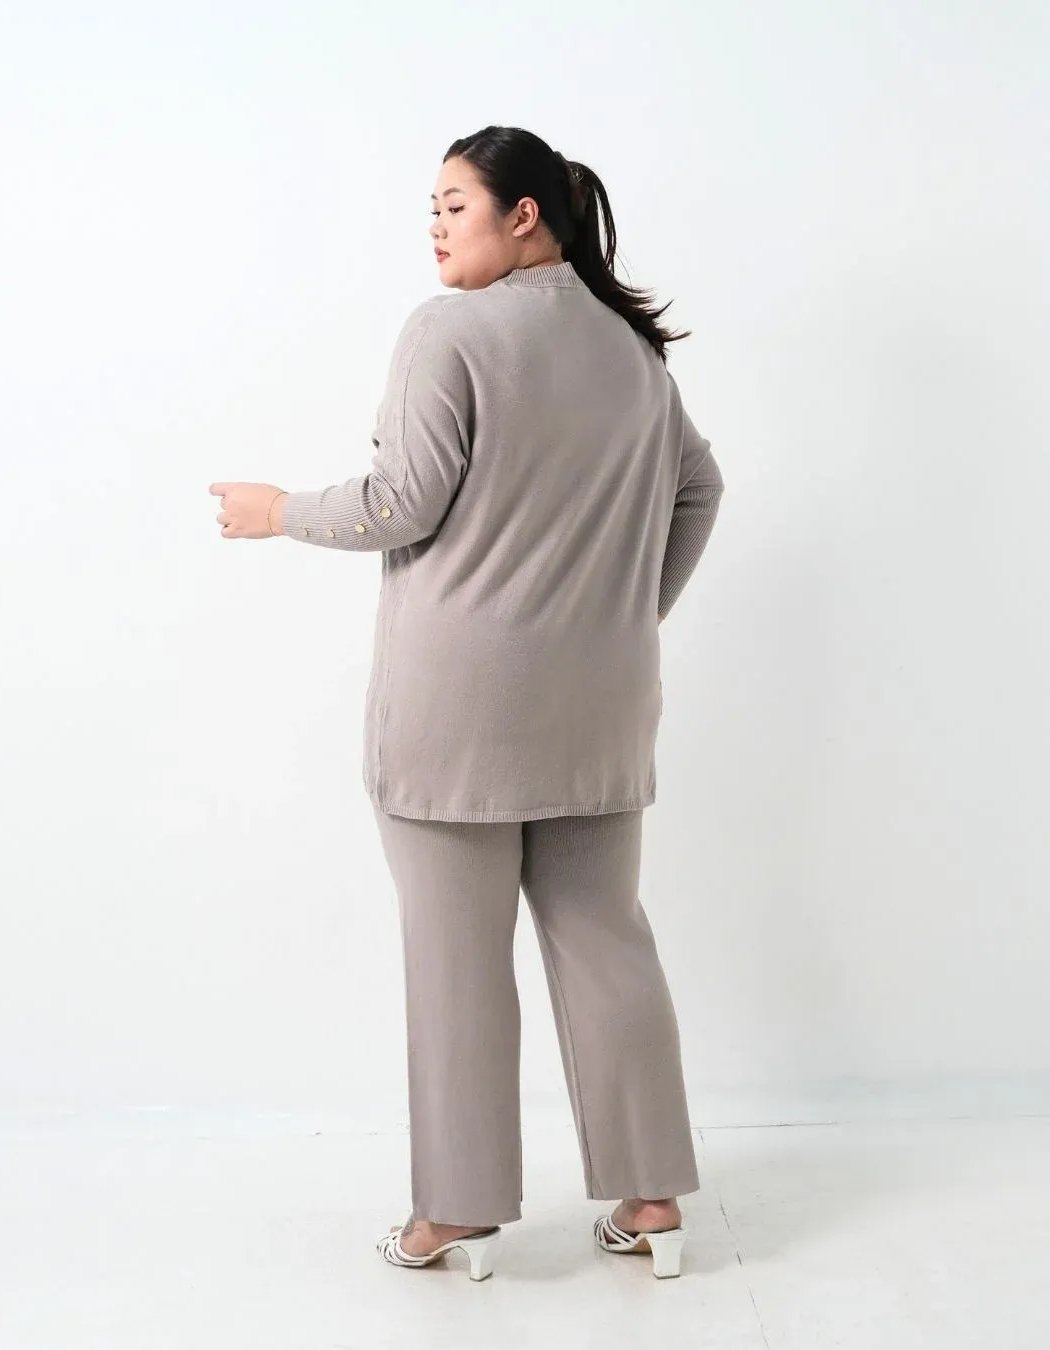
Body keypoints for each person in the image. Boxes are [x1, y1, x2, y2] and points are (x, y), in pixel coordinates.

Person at [209, 124, 725, 1280]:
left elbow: (401, 501)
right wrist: (627, 615)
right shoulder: (632, 354)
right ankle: (652, 1199)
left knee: (457, 960)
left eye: (454, 205)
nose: (435, 229)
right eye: (431, 210)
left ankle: (456, 1212)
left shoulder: (449, 332)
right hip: (599, 705)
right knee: (606, 941)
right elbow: (700, 487)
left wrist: (277, 511)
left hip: (457, 710)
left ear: (524, 214)